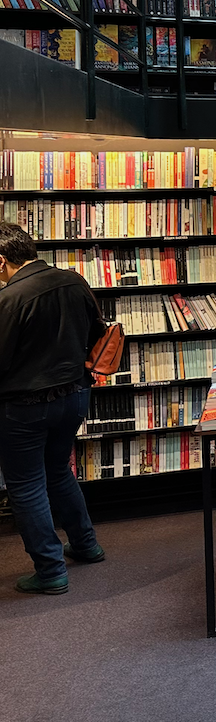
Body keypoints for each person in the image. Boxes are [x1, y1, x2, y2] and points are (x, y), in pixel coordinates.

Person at [0, 221, 107, 594]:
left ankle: (50, 570)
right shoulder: (74, 281)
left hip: (25, 406)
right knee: (58, 470)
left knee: (26, 486)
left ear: (1, 262)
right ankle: (85, 544)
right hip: (76, 395)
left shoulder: (9, 299)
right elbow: (97, 332)